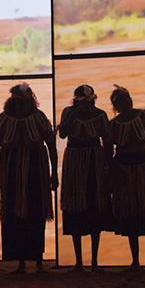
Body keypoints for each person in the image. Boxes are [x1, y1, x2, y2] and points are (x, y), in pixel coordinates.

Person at [0, 83, 58, 273]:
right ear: (12, 102)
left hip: (36, 170)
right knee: (13, 214)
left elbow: (51, 144)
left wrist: (53, 174)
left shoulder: (39, 117)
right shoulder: (4, 119)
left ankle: (38, 259)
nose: (22, 107)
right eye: (18, 103)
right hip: (10, 171)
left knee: (36, 212)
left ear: (31, 102)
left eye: (25, 103)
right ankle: (20, 260)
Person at [108, 84, 145, 270]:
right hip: (125, 169)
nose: (125, 105)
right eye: (120, 103)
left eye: (126, 101)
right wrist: (113, 170)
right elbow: (108, 150)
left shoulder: (143, 115)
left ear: (130, 101)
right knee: (130, 213)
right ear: (116, 107)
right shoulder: (114, 125)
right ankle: (135, 260)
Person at [58, 84, 112, 272]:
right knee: (75, 206)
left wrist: (108, 164)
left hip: (94, 160)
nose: (85, 106)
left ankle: (95, 260)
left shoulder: (101, 115)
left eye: (88, 102)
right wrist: (73, 114)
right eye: (82, 103)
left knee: (94, 206)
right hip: (74, 159)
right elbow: (63, 133)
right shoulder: (67, 112)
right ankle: (78, 261)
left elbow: (107, 139)